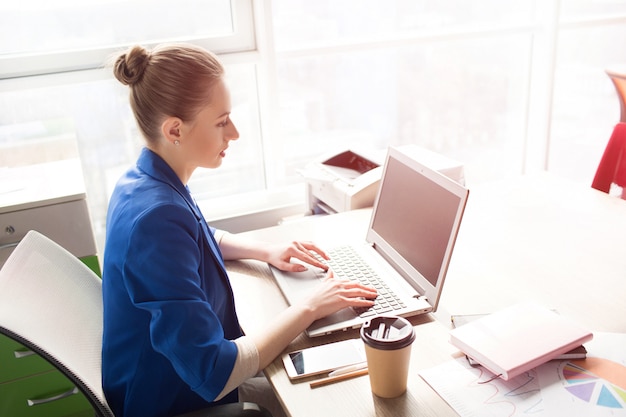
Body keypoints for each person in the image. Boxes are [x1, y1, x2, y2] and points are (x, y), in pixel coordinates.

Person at [102, 43, 377, 417]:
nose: (234, 133)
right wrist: (309, 307)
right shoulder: (155, 219)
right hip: (173, 400)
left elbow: (195, 236)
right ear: (175, 130)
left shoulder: (143, 180)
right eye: (221, 121)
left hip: (170, 376)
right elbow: (215, 371)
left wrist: (265, 251)